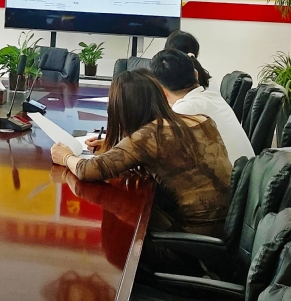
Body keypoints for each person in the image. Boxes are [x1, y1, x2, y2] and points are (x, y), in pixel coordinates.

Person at [51, 69, 232, 239]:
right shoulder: (200, 119)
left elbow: (87, 170)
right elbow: (170, 154)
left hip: (192, 239)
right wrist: (111, 147)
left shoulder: (149, 136)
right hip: (224, 228)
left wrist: (66, 157)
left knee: (123, 232)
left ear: (124, 110)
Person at [150, 49, 253, 164]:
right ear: (196, 74)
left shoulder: (184, 109)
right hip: (248, 171)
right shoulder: (213, 97)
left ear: (161, 91)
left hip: (233, 175)